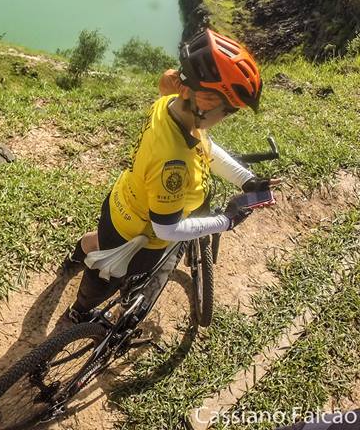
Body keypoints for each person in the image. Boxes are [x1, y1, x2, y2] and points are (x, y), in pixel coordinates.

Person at [63, 28, 281, 322]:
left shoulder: (171, 105)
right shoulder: (173, 162)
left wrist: (246, 179)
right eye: (228, 111)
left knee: (102, 241)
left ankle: (78, 253)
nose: (227, 118)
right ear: (202, 102)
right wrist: (225, 221)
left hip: (122, 203)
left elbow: (207, 148)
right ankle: (80, 312)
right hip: (139, 237)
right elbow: (167, 230)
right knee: (108, 277)